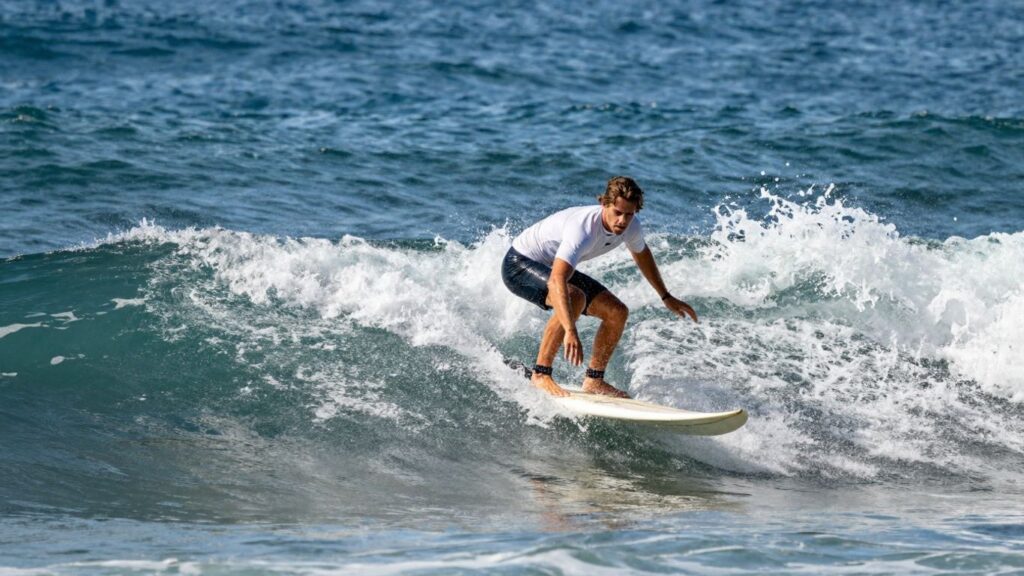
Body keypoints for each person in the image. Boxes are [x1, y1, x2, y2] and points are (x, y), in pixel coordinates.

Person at [501, 176, 698, 398]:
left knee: (617, 312)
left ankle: (594, 381)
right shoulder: (583, 230)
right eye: (618, 212)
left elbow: (642, 254)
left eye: (630, 214)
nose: (623, 221)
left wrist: (666, 296)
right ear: (604, 204)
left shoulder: (630, 226)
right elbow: (557, 280)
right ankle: (540, 374)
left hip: (552, 267)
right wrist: (570, 330)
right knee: (574, 297)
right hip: (519, 265)